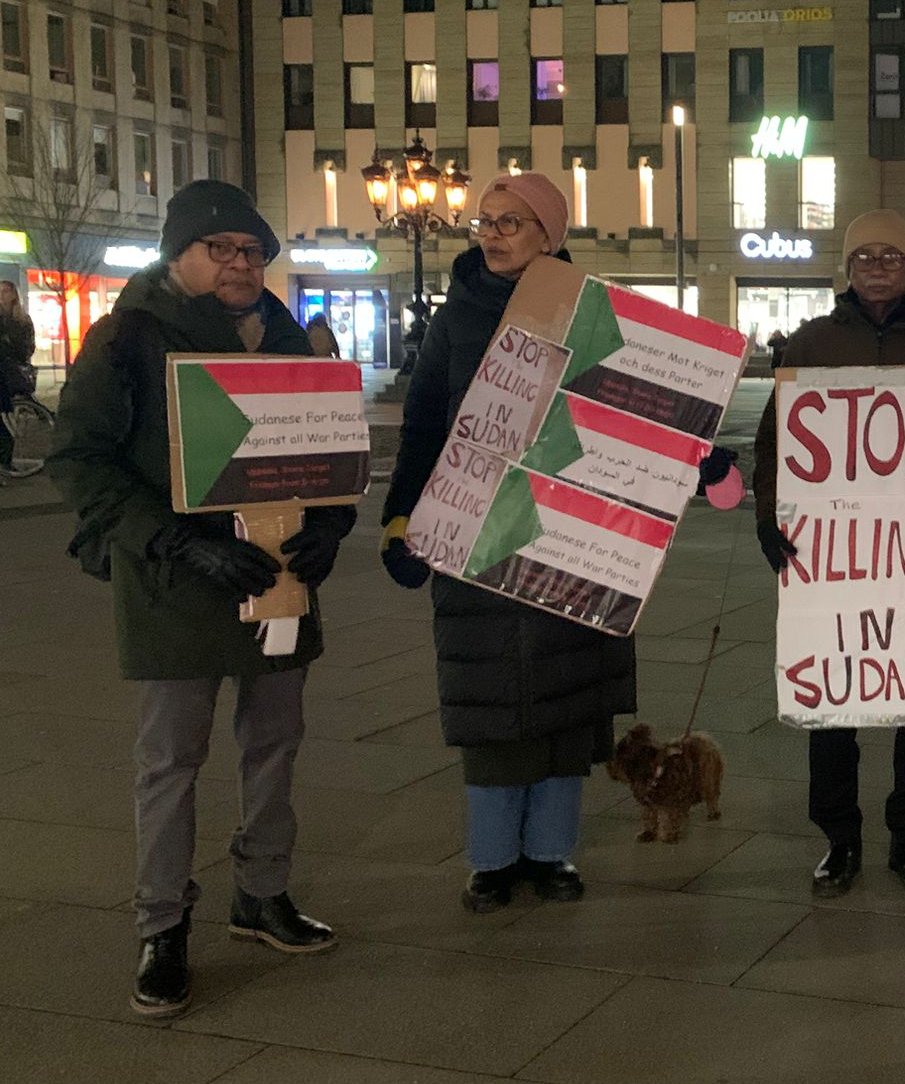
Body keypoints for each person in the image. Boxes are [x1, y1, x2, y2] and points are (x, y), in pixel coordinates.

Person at [47, 180, 354, 1018]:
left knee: (276, 742)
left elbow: (328, 452)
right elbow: (79, 458)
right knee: (170, 763)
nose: (240, 263)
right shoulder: (128, 337)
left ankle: (262, 894)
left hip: (278, 578)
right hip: (174, 584)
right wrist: (180, 541)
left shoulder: (291, 338)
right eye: (220, 248)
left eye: (253, 251)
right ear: (177, 253)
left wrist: (330, 527)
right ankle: (162, 927)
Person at [380, 172, 634, 913]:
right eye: (484, 222)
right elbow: (424, 423)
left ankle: (552, 854)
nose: (491, 235)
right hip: (476, 537)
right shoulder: (455, 317)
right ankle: (492, 859)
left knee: (564, 704)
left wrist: (694, 457)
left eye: (510, 223)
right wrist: (401, 519)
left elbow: (629, 415)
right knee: (490, 700)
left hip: (568, 537)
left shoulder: (591, 313)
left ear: (549, 236)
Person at [753, 208, 905, 897]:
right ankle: (839, 839)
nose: (878, 266)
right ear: (847, 266)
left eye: (891, 256)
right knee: (833, 704)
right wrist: (769, 521)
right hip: (827, 555)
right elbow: (776, 441)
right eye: (865, 257)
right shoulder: (809, 341)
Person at [0, 280, 35, 476]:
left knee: (5, 420)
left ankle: (5, 461)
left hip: (10, 374)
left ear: (14, 294)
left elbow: (27, 348)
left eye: (6, 291)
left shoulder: (21, 320)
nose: (2, 295)